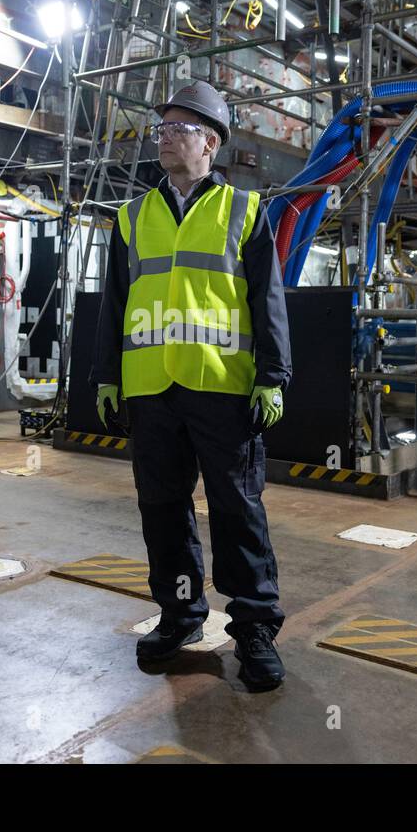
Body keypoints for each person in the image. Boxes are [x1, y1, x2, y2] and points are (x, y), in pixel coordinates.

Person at [89, 80, 293, 690]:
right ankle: (180, 614)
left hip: (223, 389)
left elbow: (268, 301)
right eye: (162, 129)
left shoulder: (246, 212)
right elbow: (114, 305)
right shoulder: (131, 217)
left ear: (210, 141)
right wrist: (105, 376)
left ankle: (254, 628)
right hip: (152, 390)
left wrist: (273, 376)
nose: (165, 138)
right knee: (163, 511)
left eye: (177, 128)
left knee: (237, 510)